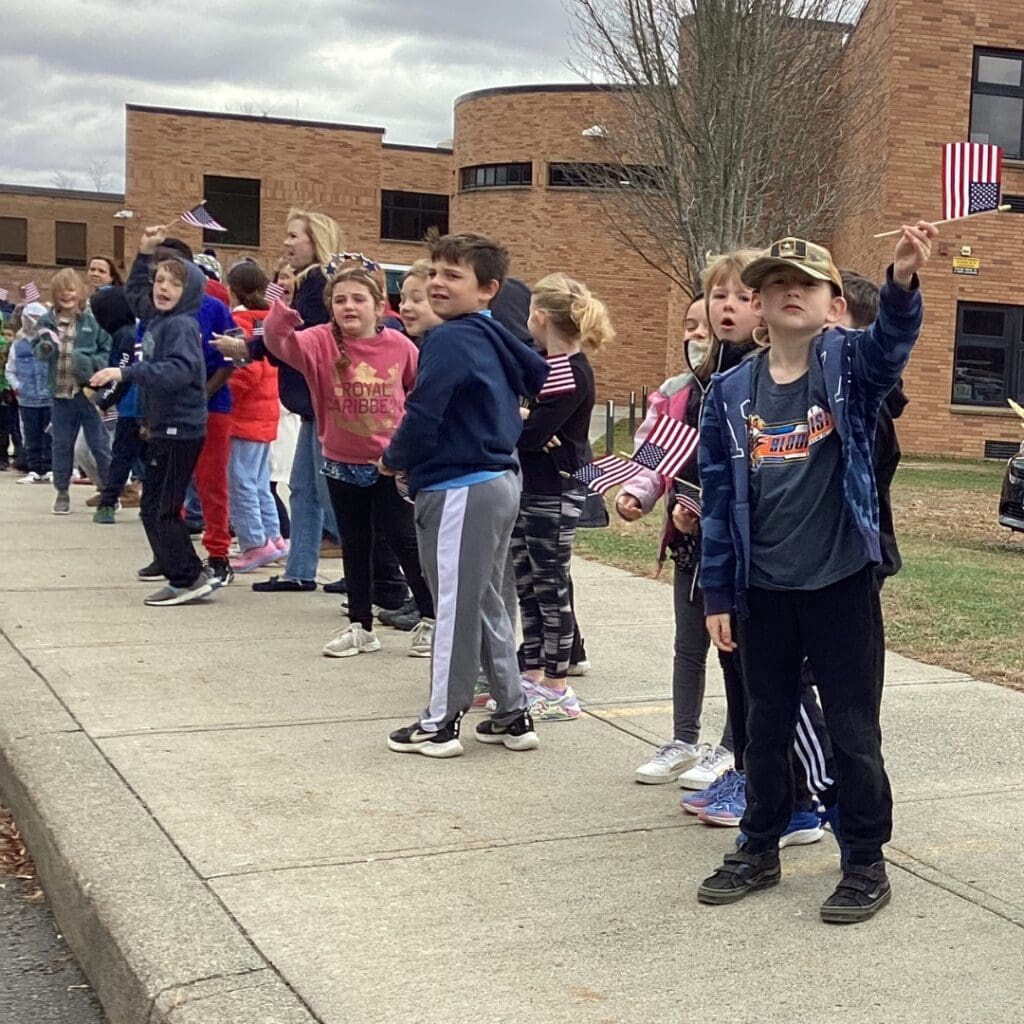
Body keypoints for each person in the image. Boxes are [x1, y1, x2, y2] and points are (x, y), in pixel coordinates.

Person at [695, 225, 936, 924]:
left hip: (840, 584)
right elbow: (718, 499)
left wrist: (902, 282)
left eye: (807, 283)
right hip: (762, 591)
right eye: (776, 283)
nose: (790, 292)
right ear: (759, 303)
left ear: (833, 304)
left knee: (854, 730)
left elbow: (892, 342)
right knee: (764, 726)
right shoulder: (729, 392)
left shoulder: (849, 368)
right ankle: (758, 845)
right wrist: (718, 591)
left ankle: (863, 860)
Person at [380, 231, 549, 758]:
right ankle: (512, 713)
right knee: (485, 600)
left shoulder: (451, 339)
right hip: (496, 482)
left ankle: (440, 722)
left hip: (461, 486)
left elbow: (424, 412)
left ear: (487, 289)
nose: (437, 283)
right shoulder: (490, 335)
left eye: (453, 275)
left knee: (453, 606)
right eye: (433, 272)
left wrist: (393, 458)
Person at [263, 266, 436, 657]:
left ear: (379, 306)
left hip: (388, 464)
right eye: (340, 300)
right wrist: (282, 308)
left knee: (404, 540)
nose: (349, 307)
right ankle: (361, 626)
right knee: (355, 545)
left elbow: (420, 389)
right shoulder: (319, 342)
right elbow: (277, 341)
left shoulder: (399, 345)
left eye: (359, 299)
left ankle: (431, 618)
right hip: (340, 463)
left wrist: (410, 441)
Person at [90, 225, 214, 607]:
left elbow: (178, 371)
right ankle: (186, 570)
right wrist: (144, 253)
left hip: (182, 429)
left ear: (189, 291)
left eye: (174, 283)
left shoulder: (181, 325)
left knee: (162, 508)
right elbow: (134, 294)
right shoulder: (159, 318)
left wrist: (124, 372)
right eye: (160, 280)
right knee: (153, 508)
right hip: (163, 426)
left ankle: (187, 578)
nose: (163, 288)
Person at [512, 274, 608, 722]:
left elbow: (532, 436)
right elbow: (534, 430)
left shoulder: (568, 371)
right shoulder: (551, 365)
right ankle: (532, 671)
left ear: (540, 316)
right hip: (531, 487)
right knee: (527, 586)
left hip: (554, 491)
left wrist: (521, 419)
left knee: (551, 589)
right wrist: (527, 418)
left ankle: (557, 685)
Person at [250, 209, 343, 593]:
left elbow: (298, 342)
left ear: (314, 241)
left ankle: (371, 570)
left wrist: (249, 347)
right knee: (304, 489)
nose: (286, 243)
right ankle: (300, 571)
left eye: (293, 236)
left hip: (323, 402)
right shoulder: (307, 284)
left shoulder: (320, 286)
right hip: (310, 404)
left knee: (328, 492)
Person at [32, 269, 112, 514]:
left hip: (87, 392)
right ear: (54, 295)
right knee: (61, 445)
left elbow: (106, 350)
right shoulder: (46, 322)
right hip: (60, 393)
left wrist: (91, 364)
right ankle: (62, 491)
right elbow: (37, 350)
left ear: (80, 293)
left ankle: (110, 491)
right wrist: (44, 348)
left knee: (99, 444)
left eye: (71, 290)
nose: (66, 295)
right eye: (61, 291)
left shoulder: (92, 321)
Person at [223, 261, 285, 572]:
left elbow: (244, 370)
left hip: (244, 415)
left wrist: (221, 395)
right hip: (266, 410)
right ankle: (273, 537)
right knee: (259, 481)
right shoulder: (267, 320)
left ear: (232, 289)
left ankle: (254, 543)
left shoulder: (238, 322)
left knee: (240, 482)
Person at [89, 287, 142, 522]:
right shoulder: (133, 331)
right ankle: (150, 505)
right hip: (142, 405)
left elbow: (121, 374)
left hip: (132, 406)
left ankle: (108, 504)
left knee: (121, 457)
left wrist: (104, 401)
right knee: (145, 459)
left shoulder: (125, 335)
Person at [7, 303, 52, 482]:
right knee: (31, 435)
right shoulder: (17, 346)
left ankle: (49, 468)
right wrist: (18, 387)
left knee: (49, 435)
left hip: (49, 397)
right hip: (28, 399)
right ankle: (34, 469)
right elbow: (10, 370)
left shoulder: (51, 342)